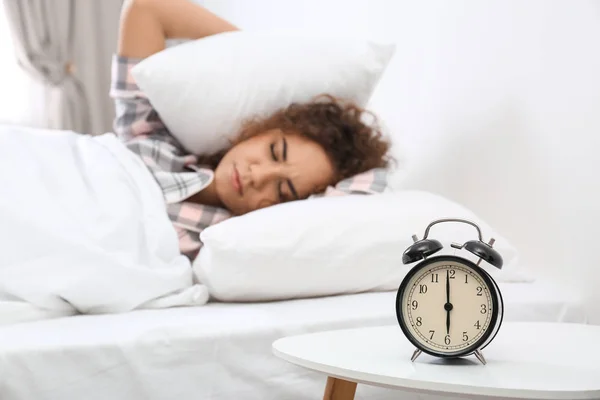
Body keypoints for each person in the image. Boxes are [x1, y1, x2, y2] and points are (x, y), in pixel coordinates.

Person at [113, 0, 391, 260]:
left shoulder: (222, 242)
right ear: (259, 130)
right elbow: (146, 8)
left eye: (283, 191)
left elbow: (367, 189)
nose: (257, 175)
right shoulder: (150, 135)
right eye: (274, 151)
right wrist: (252, 54)